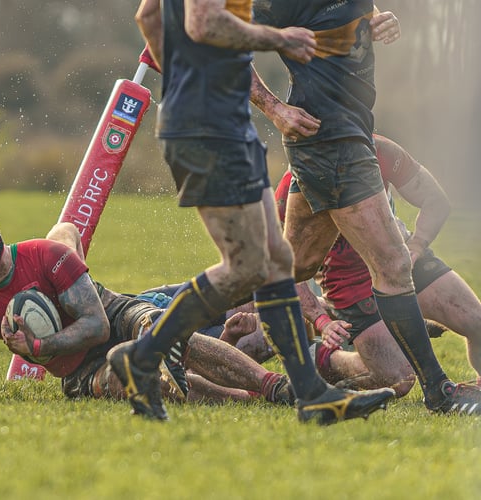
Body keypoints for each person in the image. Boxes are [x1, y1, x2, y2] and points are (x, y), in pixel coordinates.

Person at [105, 0, 395, 424]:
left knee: (275, 260)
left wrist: (189, 75)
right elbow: (203, 23)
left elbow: (147, 16)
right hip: (207, 123)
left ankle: (312, 396)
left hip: (224, 117)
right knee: (245, 267)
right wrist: (279, 38)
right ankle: (142, 357)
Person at [250, 2, 481, 414]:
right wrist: (274, 108)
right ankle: (438, 391)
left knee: (291, 269)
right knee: (392, 264)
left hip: (346, 136)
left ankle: (212, 326)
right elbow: (221, 45)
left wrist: (376, 21)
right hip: (329, 141)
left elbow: (358, 15)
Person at [0, 210, 293, 406]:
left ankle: (273, 386)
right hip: (80, 371)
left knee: (164, 328)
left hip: (117, 315)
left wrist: (37, 349)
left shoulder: (46, 256)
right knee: (145, 384)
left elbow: (98, 325)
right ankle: (244, 401)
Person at [275, 135, 481, 398]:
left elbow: (435, 200)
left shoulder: (379, 150)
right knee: (399, 379)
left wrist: (416, 246)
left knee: (476, 321)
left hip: (398, 256)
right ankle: (323, 358)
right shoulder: (294, 185)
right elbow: (287, 273)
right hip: (349, 282)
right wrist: (321, 320)